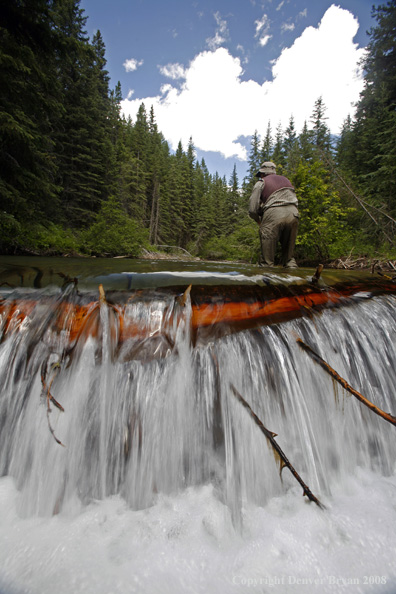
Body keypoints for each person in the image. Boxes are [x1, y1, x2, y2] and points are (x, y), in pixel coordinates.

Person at [248, 161, 299, 268]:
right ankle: (297, 282)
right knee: (289, 260)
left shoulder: (260, 183)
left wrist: (259, 221)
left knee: (267, 262)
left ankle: (266, 282)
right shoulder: (287, 180)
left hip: (273, 214)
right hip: (294, 214)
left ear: (262, 173)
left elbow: (252, 210)